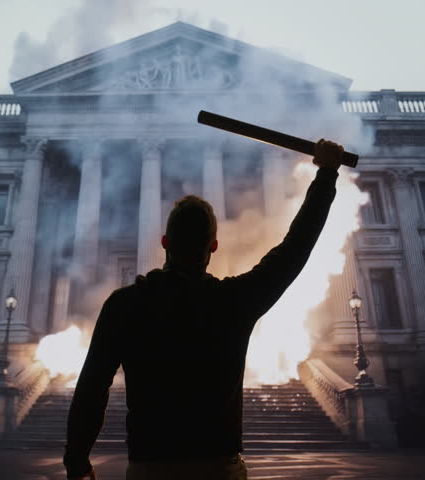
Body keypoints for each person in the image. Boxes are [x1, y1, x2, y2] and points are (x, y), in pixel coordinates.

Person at [64, 139, 345, 480]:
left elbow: (92, 388)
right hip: (218, 466)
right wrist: (327, 173)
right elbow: (295, 248)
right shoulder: (233, 302)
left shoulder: (125, 305)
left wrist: (77, 458)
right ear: (213, 245)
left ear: (164, 242)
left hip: (149, 467)